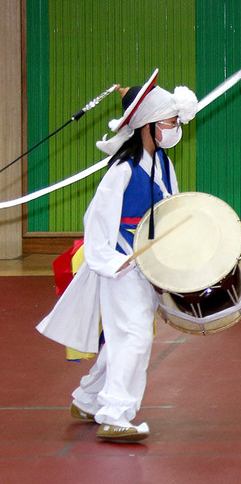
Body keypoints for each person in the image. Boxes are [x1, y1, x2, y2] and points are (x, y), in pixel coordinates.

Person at [36, 71, 197, 443]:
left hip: (147, 266)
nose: (176, 129)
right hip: (121, 266)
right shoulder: (122, 170)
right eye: (171, 123)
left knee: (126, 336)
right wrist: (111, 263)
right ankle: (115, 413)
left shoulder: (165, 166)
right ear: (148, 126)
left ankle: (89, 399)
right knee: (134, 336)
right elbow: (95, 221)